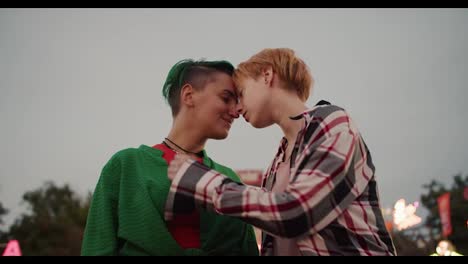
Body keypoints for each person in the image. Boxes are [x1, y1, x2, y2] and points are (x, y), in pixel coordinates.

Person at [165, 48, 397, 256]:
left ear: (267, 76)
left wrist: (202, 182)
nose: (236, 109)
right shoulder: (276, 164)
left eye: (242, 93)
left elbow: (296, 213)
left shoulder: (332, 123)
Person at [81, 59, 259, 256]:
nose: (236, 112)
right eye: (226, 98)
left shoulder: (230, 179)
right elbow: (97, 248)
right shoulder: (126, 166)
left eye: (237, 102)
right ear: (188, 95)